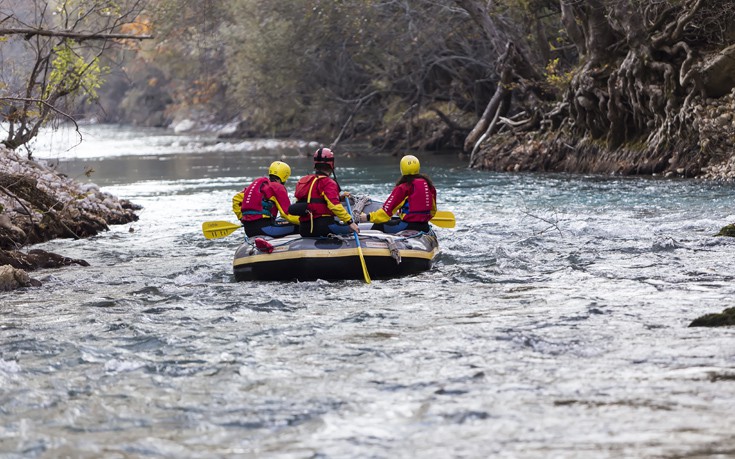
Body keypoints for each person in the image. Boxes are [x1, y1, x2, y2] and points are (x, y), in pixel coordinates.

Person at [359, 154, 436, 233]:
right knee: (395, 220)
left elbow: (385, 214)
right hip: (424, 226)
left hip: (408, 226)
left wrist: (367, 217)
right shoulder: (429, 186)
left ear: (402, 169)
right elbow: (433, 211)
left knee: (379, 225)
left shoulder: (403, 188)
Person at [292, 147, 360, 237]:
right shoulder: (328, 182)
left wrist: (339, 198)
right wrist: (350, 222)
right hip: (322, 227)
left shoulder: (303, 180)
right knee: (351, 228)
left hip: (304, 229)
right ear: (331, 164)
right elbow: (334, 206)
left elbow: (314, 200)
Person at [232, 160, 300, 238]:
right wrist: (303, 221)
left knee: (281, 222)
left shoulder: (260, 186)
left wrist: (242, 218)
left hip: (248, 230)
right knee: (297, 227)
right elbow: (287, 214)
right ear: (285, 176)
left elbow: (236, 199)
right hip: (264, 229)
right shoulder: (278, 188)